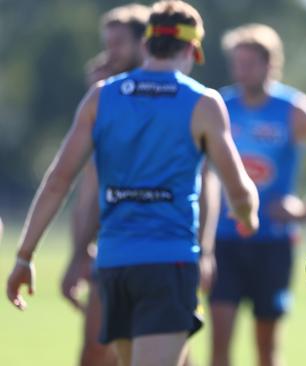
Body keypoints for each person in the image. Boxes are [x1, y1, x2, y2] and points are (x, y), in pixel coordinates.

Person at [6, 1, 259, 366]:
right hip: (168, 264)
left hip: (113, 265)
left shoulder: (101, 96)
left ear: (148, 44)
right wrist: (247, 215)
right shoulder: (202, 102)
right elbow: (237, 189)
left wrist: (24, 255)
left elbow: (58, 181)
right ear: (190, 49)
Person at [209, 23, 306, 366]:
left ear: (270, 64)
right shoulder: (218, 106)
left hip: (273, 242)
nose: (241, 70)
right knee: (219, 342)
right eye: (236, 62)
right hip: (223, 240)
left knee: (267, 349)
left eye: (249, 62)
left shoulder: (294, 108)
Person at [60, 5, 151, 366]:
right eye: (106, 44)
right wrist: (79, 251)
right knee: (96, 352)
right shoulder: (103, 96)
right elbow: (89, 186)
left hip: (162, 249)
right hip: (112, 246)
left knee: (159, 354)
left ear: (143, 45)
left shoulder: (169, 98)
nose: (108, 53)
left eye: (117, 45)